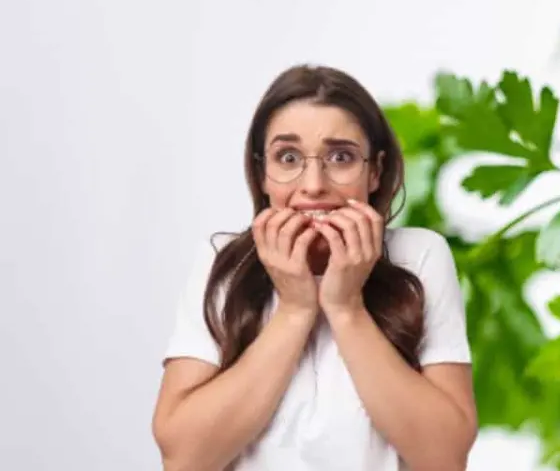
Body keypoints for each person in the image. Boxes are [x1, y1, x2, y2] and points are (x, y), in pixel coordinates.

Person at [151, 65, 477, 471]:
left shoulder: (419, 257)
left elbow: (445, 457)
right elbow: (183, 458)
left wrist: (346, 308)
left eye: (340, 157)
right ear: (261, 173)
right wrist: (294, 310)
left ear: (374, 171)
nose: (313, 185)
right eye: (288, 157)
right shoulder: (224, 263)